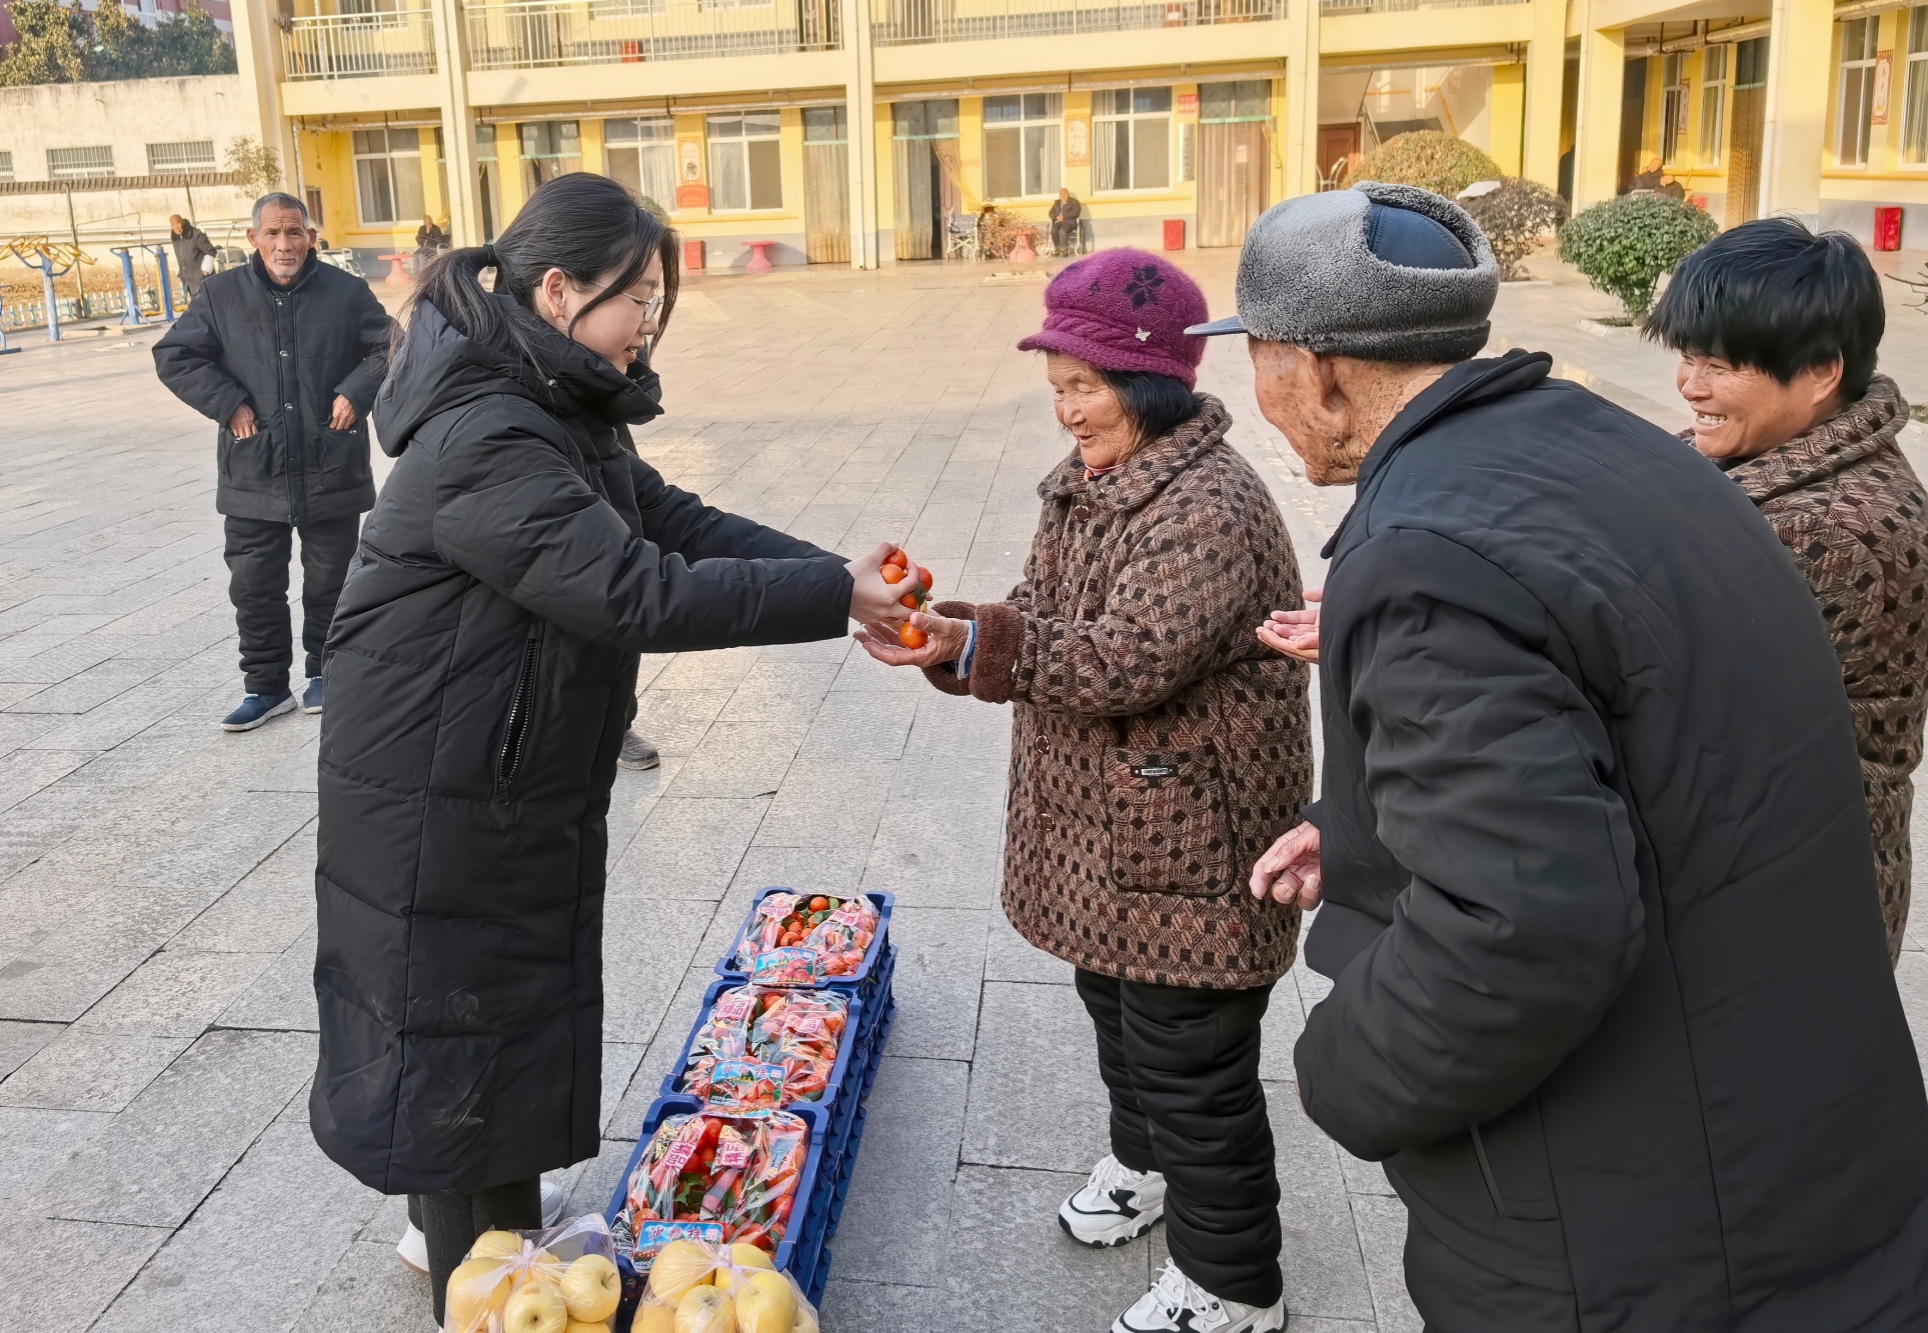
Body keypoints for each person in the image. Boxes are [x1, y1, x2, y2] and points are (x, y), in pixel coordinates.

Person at [1215, 183, 1928, 1328]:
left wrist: (1340, 1065)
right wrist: (1357, 832)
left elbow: (1525, 928)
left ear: (1317, 369)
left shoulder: (1422, 555)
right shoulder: (1602, 443)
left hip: (1635, 1229)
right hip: (1798, 1137)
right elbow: (1605, 738)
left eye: (1253, 361)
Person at [307, 172, 919, 1327]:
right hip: (439, 791)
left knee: (487, 1027)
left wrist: (843, 582)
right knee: (456, 1039)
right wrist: (830, 594)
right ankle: (475, 1279)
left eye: (655, 295)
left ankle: (492, 1232)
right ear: (556, 289)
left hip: (495, 765)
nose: (649, 318)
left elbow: (668, 517)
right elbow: (632, 588)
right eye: (634, 294)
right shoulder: (488, 427)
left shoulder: (550, 396)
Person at [857, 249, 1310, 1333]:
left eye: (1082, 386)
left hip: (1189, 834)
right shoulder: (1093, 484)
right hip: (1114, 831)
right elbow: (1039, 609)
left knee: (1192, 1059)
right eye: (1055, 385)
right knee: (1118, 1009)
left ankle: (1235, 1282)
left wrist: (974, 643)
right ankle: (1141, 1165)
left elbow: (1125, 658)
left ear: (1150, 381)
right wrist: (945, 627)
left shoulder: (1205, 504)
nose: (1064, 409)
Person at [1646, 218, 1927, 963]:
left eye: (1721, 364)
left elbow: (1650, 685)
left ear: (1822, 372)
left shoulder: (1823, 527)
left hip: (1788, 895)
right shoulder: (1773, 459)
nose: (1690, 385)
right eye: (1688, 355)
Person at [154, 192, 392, 731]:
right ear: (253, 239)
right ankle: (264, 687)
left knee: (332, 580)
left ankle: (326, 674)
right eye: (273, 234)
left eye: (295, 233)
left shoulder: (347, 293)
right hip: (254, 467)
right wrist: (228, 402)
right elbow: (174, 355)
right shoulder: (220, 294)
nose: (285, 245)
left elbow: (391, 348)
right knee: (254, 584)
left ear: (311, 237)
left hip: (329, 461)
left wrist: (356, 391)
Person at [168, 213, 218, 305]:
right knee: (197, 309)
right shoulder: (175, 240)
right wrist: (179, 271)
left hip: (203, 280)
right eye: (174, 225)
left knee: (208, 306)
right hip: (189, 282)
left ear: (182, 222)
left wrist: (206, 269)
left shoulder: (196, 235)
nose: (177, 227)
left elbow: (211, 251)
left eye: (178, 223)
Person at [1049, 187, 1082, 256]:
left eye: (1065, 194)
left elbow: (1075, 212)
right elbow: (1051, 212)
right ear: (1059, 195)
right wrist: (1056, 217)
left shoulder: (1074, 202)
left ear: (1068, 194)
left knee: (1062, 231)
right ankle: (1057, 248)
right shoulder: (1057, 203)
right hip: (1058, 222)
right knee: (1053, 230)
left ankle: (1064, 250)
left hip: (1069, 222)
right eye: (1061, 194)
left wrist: (1063, 217)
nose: (1063, 196)